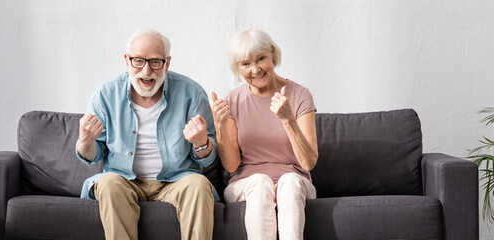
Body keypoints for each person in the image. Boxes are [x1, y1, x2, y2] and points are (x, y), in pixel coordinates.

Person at [76, 28, 217, 240]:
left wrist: (201, 143)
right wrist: (85, 141)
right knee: (107, 183)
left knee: (198, 185)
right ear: (127, 60)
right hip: (125, 180)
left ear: (167, 63)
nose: (146, 71)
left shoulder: (192, 93)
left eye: (155, 62)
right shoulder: (105, 94)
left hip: (176, 180)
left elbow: (208, 157)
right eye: (138, 61)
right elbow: (91, 156)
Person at [211, 29, 319, 240]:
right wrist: (219, 125)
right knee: (260, 182)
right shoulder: (232, 100)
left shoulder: (300, 95)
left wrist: (288, 119)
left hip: (295, 182)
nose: (255, 69)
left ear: (272, 55)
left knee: (289, 181)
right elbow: (232, 166)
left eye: (261, 59)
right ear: (238, 68)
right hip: (247, 184)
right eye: (245, 64)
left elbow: (308, 163)